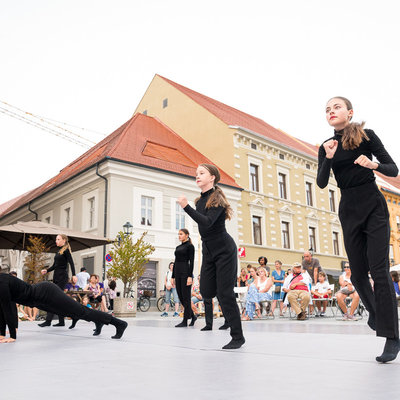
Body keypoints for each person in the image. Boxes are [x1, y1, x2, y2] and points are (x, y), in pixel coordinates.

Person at [317, 96, 399, 363]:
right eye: (327, 109)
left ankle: (391, 337)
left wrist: (373, 164)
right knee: (358, 273)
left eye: (336, 107)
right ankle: (376, 312)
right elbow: (320, 183)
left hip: (373, 204)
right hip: (348, 207)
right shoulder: (326, 145)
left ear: (349, 113)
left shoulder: (367, 136)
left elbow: (392, 167)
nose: (331, 111)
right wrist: (328, 158)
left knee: (379, 270)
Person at [178, 163, 245, 349]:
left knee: (225, 294)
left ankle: (238, 337)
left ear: (212, 177)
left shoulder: (217, 200)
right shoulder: (200, 200)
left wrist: (186, 208)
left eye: (201, 173)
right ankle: (223, 293)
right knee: (207, 292)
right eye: (196, 173)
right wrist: (191, 206)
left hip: (224, 249)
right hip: (208, 250)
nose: (197, 176)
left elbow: (207, 223)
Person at [0, 273, 127, 342]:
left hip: (47, 293)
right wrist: (2, 333)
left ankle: (118, 323)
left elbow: (6, 308)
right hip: (40, 300)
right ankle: (97, 321)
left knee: (80, 310)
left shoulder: (2, 282)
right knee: (74, 311)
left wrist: (12, 335)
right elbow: (3, 308)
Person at [39, 234, 76, 327]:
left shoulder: (66, 250)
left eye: (58, 239)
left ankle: (48, 321)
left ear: (64, 240)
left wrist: (74, 275)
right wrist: (46, 270)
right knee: (59, 300)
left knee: (53, 298)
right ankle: (62, 321)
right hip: (56, 277)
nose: (56, 241)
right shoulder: (58, 251)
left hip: (62, 278)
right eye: (56, 239)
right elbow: (55, 266)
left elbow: (71, 263)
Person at [171, 229, 196, 327]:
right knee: (180, 297)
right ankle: (193, 316)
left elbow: (192, 262)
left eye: (181, 234)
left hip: (186, 272)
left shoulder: (190, 246)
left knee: (186, 297)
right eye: (178, 234)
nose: (179, 236)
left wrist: (190, 276)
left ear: (187, 235)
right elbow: (175, 262)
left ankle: (185, 321)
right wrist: (173, 277)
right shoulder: (178, 247)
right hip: (177, 272)